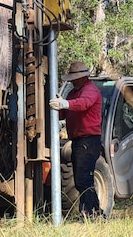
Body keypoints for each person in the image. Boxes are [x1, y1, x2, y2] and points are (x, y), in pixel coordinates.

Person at [49, 61, 103, 217]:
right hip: (78, 141)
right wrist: (57, 106)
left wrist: (65, 103)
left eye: (75, 78)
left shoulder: (90, 91)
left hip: (88, 140)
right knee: (82, 179)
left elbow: (83, 104)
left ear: (83, 77)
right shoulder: (73, 93)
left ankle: (88, 212)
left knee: (82, 179)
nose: (72, 81)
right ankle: (94, 212)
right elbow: (64, 114)